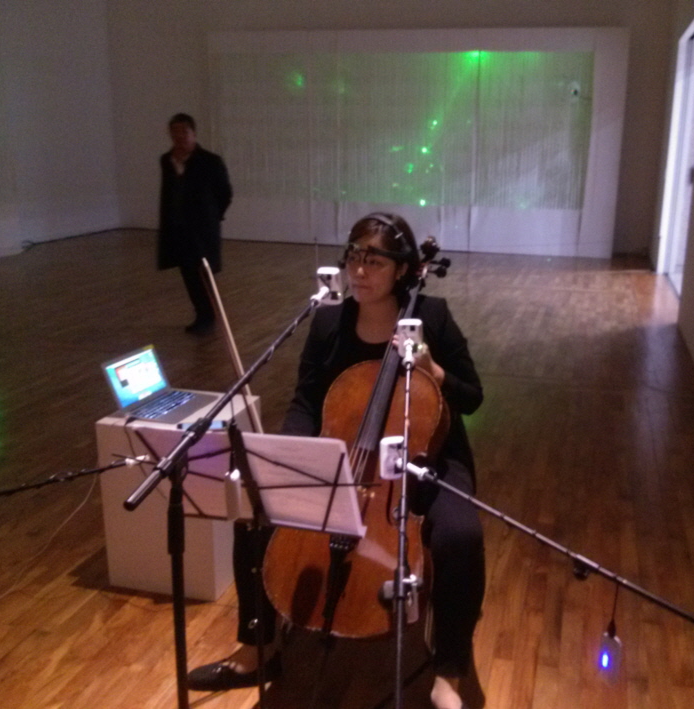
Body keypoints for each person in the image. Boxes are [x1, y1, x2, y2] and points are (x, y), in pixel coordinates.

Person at [187, 213, 486, 709]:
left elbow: (473, 397)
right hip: (342, 452)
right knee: (258, 512)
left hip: (424, 453)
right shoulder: (329, 322)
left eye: (375, 261)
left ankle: (449, 671)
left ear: (403, 270)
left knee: (460, 535)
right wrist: (293, 458)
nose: (360, 271)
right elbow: (307, 401)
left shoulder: (431, 317)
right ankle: (257, 648)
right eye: (354, 257)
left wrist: (433, 369)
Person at [157, 112, 233, 334]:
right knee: (188, 275)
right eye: (175, 131)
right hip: (178, 230)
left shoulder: (210, 161)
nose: (179, 136)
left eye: (184, 131)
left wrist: (212, 216)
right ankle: (201, 316)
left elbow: (225, 193)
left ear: (193, 133)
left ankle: (208, 318)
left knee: (204, 275)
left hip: (202, 231)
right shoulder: (167, 160)